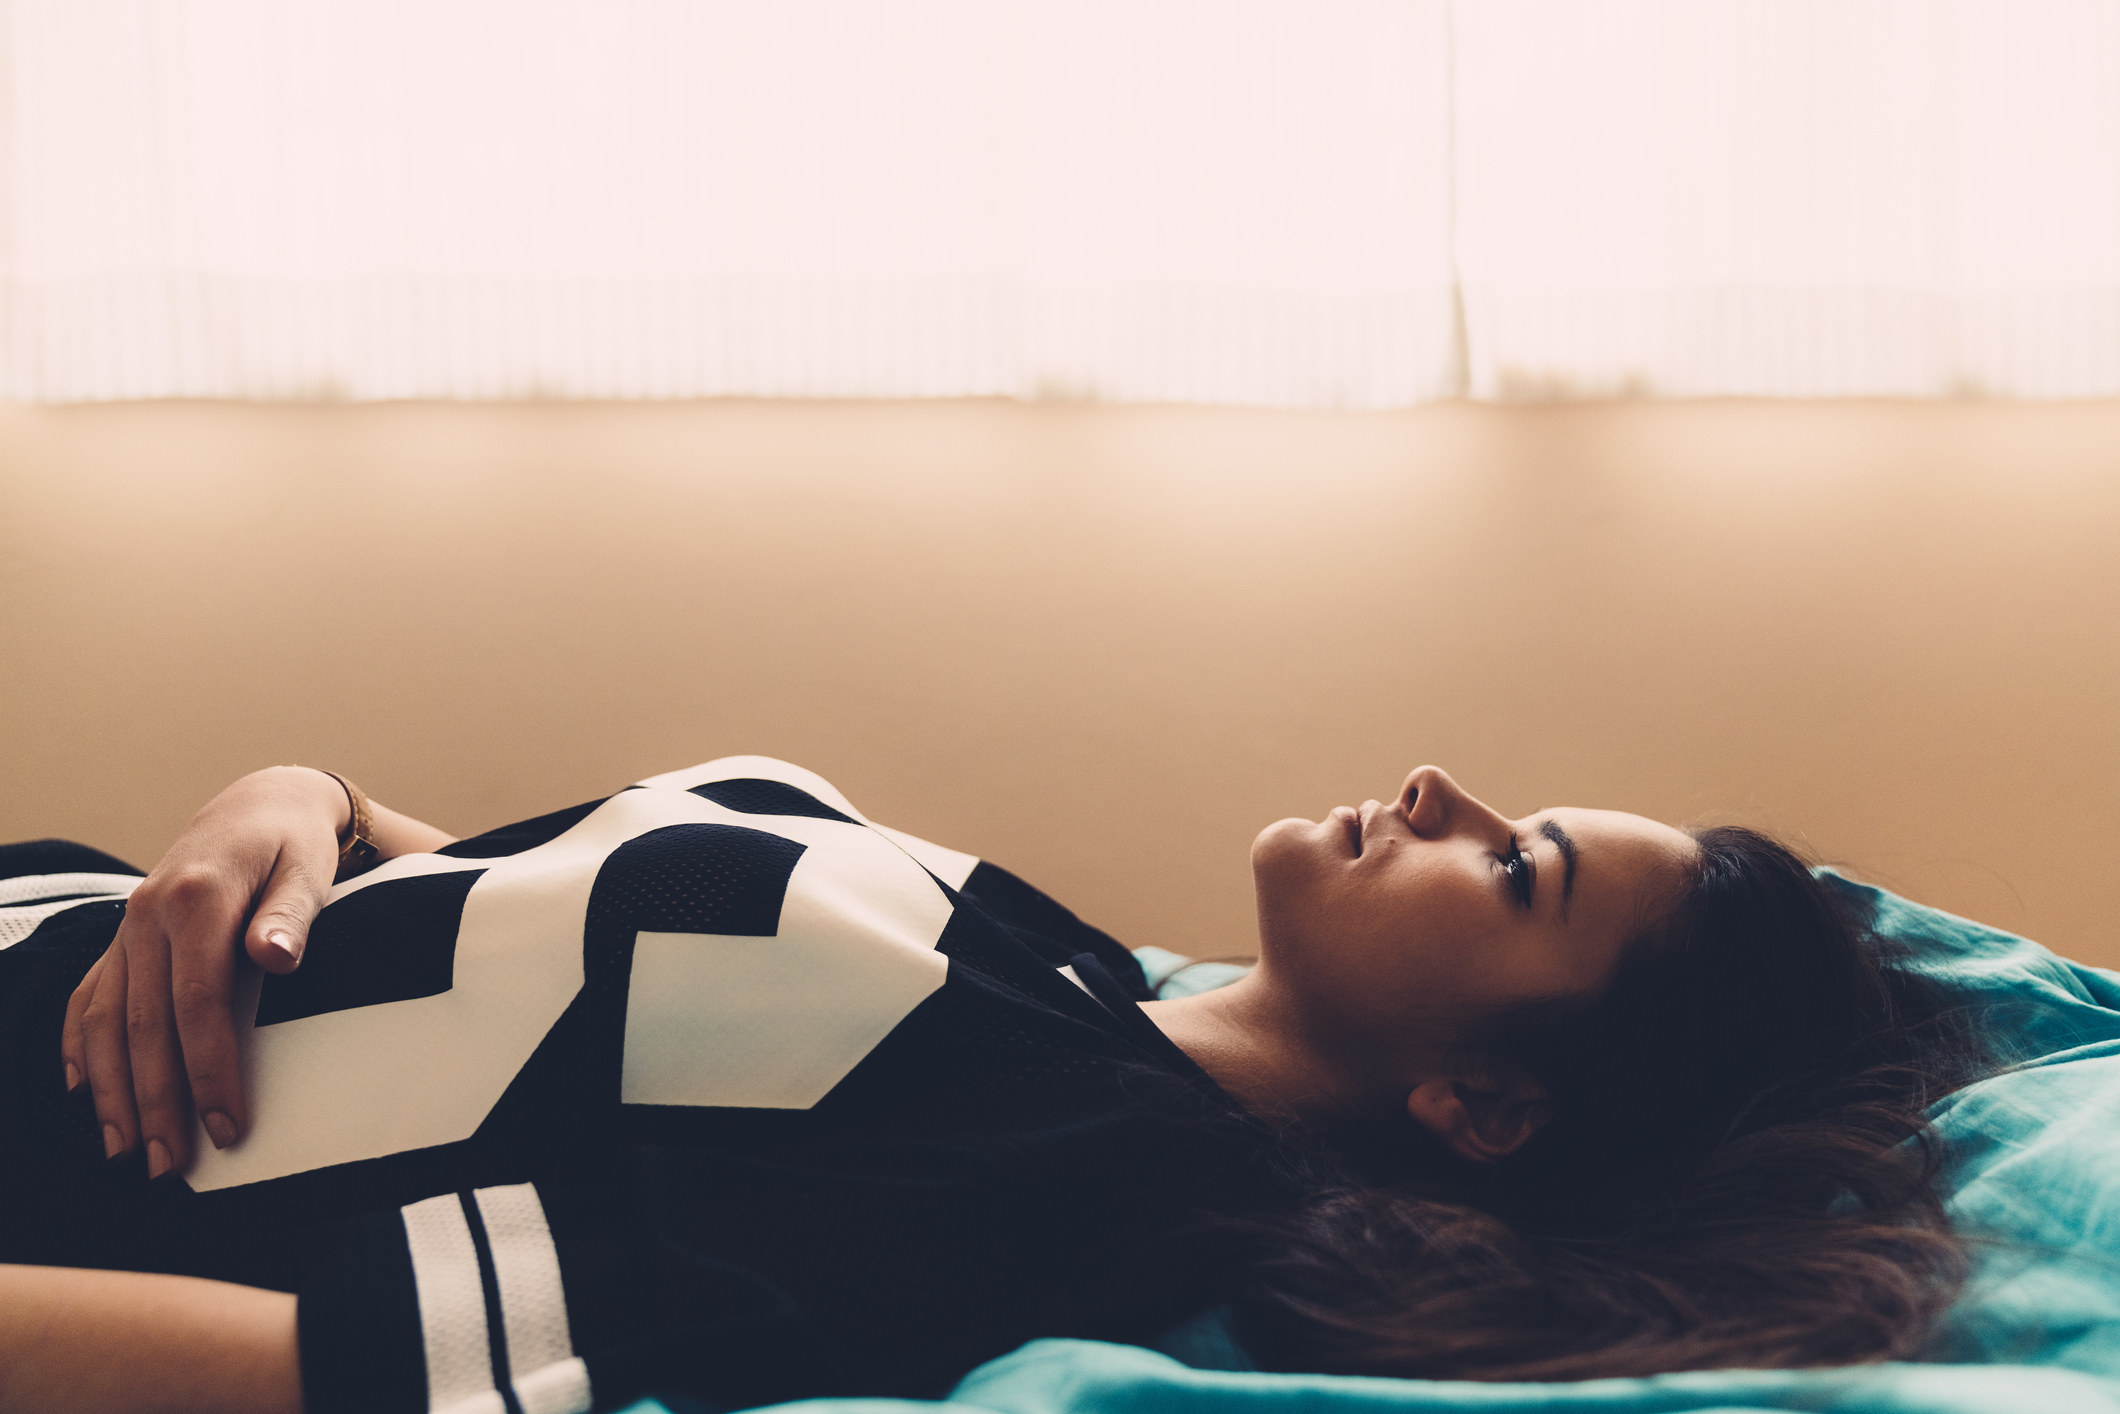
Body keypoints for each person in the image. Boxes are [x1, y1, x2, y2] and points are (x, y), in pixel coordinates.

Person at [0, 758, 1976, 1414]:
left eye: (1514, 863)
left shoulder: (1057, 1174)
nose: (1441, 784)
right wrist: (287, 794)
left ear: (1483, 1100)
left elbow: (334, 1358)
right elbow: (509, 943)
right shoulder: (1071, 978)